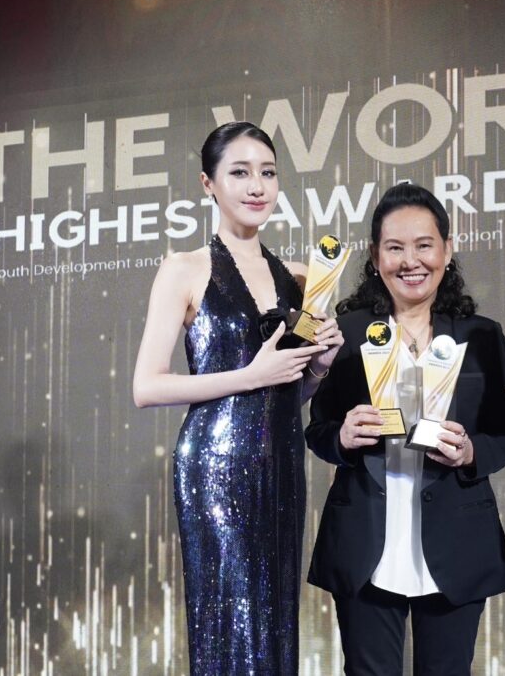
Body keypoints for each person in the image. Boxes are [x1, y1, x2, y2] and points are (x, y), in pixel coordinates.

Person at [132, 121, 343, 675]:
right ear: (209, 184)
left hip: (282, 464)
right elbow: (147, 386)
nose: (257, 186)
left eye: (268, 173)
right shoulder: (183, 269)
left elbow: (289, 394)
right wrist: (250, 374)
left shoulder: (303, 277)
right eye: (240, 172)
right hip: (214, 466)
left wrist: (319, 367)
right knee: (230, 615)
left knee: (274, 613)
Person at [305, 182, 505, 676]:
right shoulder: (347, 332)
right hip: (366, 539)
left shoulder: (482, 335)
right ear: (375, 256)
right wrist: (342, 438)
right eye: (395, 247)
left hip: (456, 540)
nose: (411, 261)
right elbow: (318, 430)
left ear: (447, 249)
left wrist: (470, 453)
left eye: (424, 245)